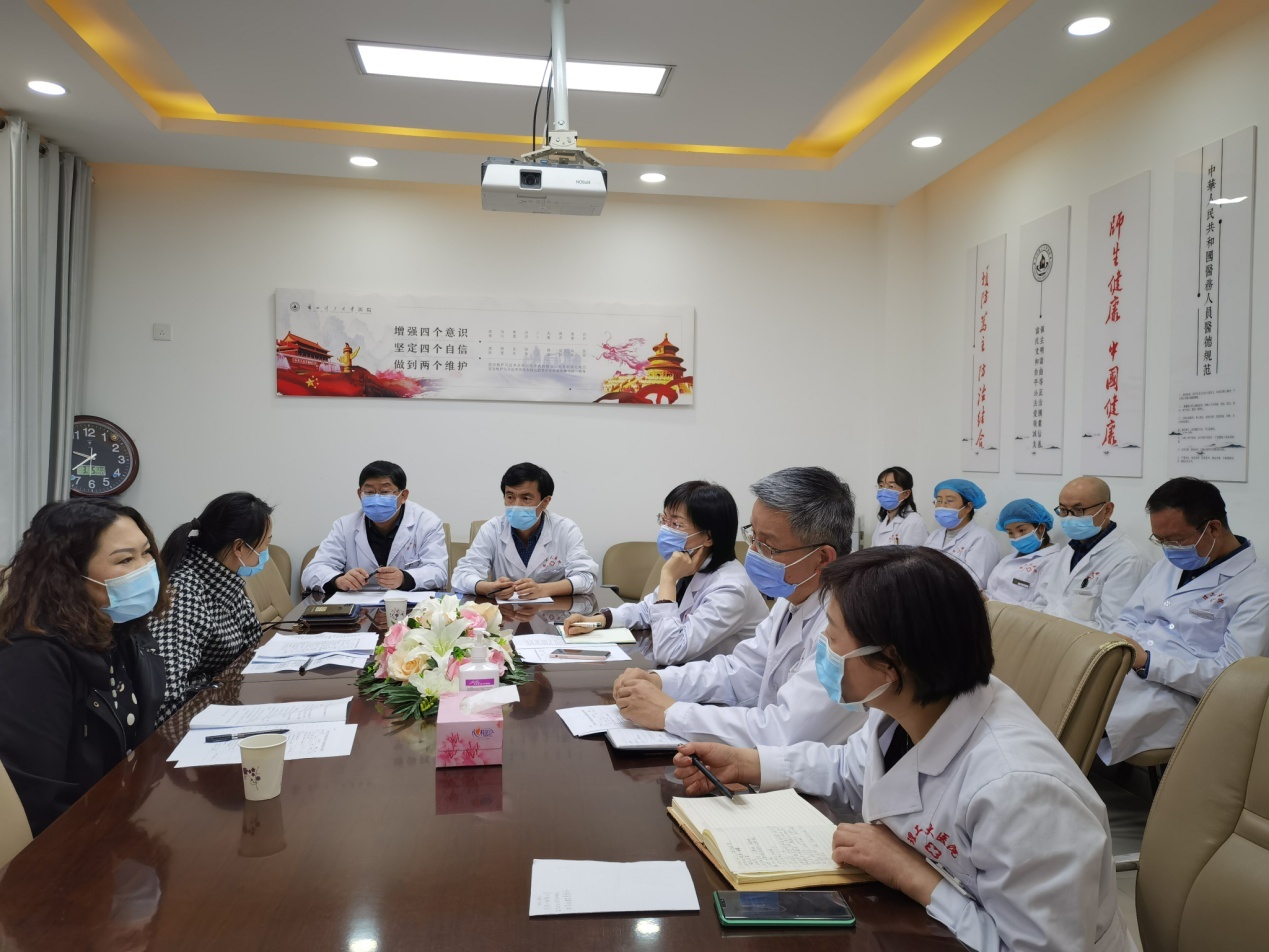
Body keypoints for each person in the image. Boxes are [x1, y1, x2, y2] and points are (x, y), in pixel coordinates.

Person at [674, 546, 1134, 952]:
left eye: (832, 638)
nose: (823, 650)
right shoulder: (905, 705)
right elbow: (851, 768)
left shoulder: (1021, 790)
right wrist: (750, 763)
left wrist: (913, 875)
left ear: (890, 662)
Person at [612, 466, 865, 747]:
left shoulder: (850, 624)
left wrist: (669, 713)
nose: (753, 552)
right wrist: (659, 680)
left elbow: (785, 732)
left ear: (822, 558)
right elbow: (740, 671)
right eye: (752, 536)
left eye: (768, 545)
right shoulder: (791, 598)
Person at [0, 499, 169, 835]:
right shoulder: (33, 658)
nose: (145, 568)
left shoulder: (118, 627)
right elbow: (39, 802)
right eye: (125, 559)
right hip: (73, 844)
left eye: (146, 552)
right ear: (68, 574)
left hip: (121, 816)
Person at [1100, 477, 1269, 764]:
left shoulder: (1257, 588)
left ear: (1213, 528)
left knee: (1084, 715)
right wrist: (1123, 647)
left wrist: (1148, 662)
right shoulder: (1169, 564)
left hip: (1183, 694)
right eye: (1160, 540)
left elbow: (1232, 678)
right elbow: (1129, 617)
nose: (1168, 549)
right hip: (1133, 669)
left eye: (1176, 540)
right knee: (1060, 689)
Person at [562, 481, 767, 665]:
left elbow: (671, 652)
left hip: (730, 690)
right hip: (693, 674)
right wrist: (597, 620)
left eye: (676, 524)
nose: (666, 530)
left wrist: (668, 578)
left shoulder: (730, 588)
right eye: (664, 520)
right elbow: (646, 611)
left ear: (708, 537)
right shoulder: (691, 567)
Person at [150, 492, 273, 722]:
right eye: (265, 544)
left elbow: (252, 646)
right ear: (239, 548)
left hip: (225, 701)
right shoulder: (182, 593)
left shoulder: (223, 579)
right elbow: (167, 698)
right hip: (197, 718)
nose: (266, 552)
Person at [452, 462, 598, 598]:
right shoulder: (492, 529)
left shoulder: (566, 529)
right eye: (510, 497)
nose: (516, 505)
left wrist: (543, 589)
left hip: (552, 612)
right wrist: (489, 588)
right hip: (506, 612)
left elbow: (586, 578)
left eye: (526, 498)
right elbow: (462, 575)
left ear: (545, 502)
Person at [301, 460, 449, 594]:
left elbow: (439, 573)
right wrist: (338, 580)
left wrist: (405, 578)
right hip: (358, 606)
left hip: (408, 606)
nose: (377, 498)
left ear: (403, 496)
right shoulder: (344, 526)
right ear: (360, 494)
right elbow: (312, 572)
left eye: (385, 492)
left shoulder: (427, 523)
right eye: (370, 492)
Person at [1031, 476, 1149, 633]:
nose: (1069, 518)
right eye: (1064, 510)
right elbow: (1042, 601)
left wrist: (1053, 631)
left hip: (1085, 644)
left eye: (1078, 510)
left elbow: (1113, 628)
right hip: (1049, 637)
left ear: (1107, 510)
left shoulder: (1129, 559)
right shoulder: (1068, 550)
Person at [984, 498, 1063, 606]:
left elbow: (1041, 606)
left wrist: (993, 604)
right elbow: (990, 591)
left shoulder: (1054, 561)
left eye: (1021, 530)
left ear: (1041, 528)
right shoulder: (1007, 560)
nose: (1016, 537)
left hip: (1014, 615)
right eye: (1010, 533)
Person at [920, 478, 997, 588]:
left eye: (949, 501)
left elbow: (975, 583)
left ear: (968, 507)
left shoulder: (981, 538)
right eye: (939, 501)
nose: (942, 506)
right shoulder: (935, 535)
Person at [871, 466, 926, 547]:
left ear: (906, 494)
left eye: (891, 486)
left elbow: (913, 554)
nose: (884, 491)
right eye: (881, 485)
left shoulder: (914, 521)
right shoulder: (885, 518)